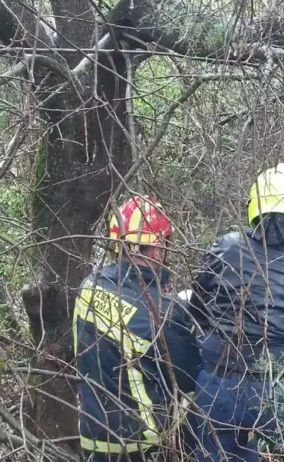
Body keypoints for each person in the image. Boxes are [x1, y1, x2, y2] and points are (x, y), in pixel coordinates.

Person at [188, 164, 284, 462]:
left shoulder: (225, 247)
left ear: (255, 206)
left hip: (219, 379)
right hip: (281, 384)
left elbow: (198, 309)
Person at [73, 195, 202, 461]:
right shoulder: (161, 312)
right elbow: (190, 375)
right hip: (140, 445)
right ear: (156, 249)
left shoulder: (89, 285)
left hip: (92, 435)